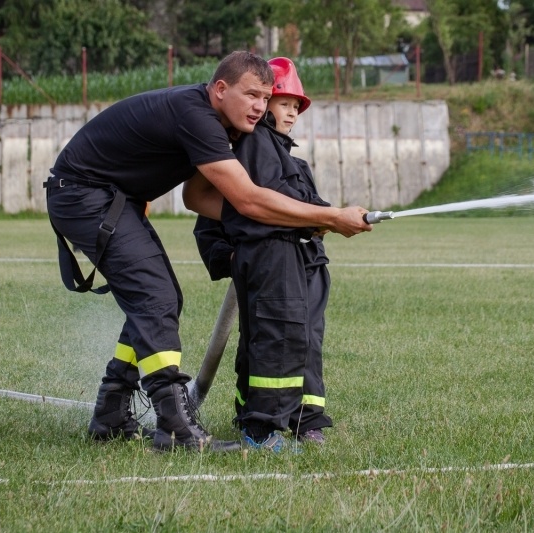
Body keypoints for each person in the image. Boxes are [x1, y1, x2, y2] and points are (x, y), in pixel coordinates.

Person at [44, 51, 372, 453]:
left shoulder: (217, 121)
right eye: (251, 94)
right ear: (220, 89)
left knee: (163, 298)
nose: (259, 106)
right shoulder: (197, 115)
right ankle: (175, 429)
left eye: (265, 97)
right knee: (155, 297)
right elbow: (247, 200)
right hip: (82, 195)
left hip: (113, 198)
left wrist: (291, 219)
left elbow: (196, 196)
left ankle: (110, 413)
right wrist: (330, 216)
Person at [196, 57, 334, 451]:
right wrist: (230, 259)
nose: (291, 112)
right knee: (271, 339)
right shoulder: (249, 146)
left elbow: (307, 206)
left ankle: (305, 417)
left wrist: (327, 219)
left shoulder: (295, 161)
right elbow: (217, 215)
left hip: (308, 264)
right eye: (284, 101)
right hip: (271, 263)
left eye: (296, 106)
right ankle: (259, 422)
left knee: (305, 339)